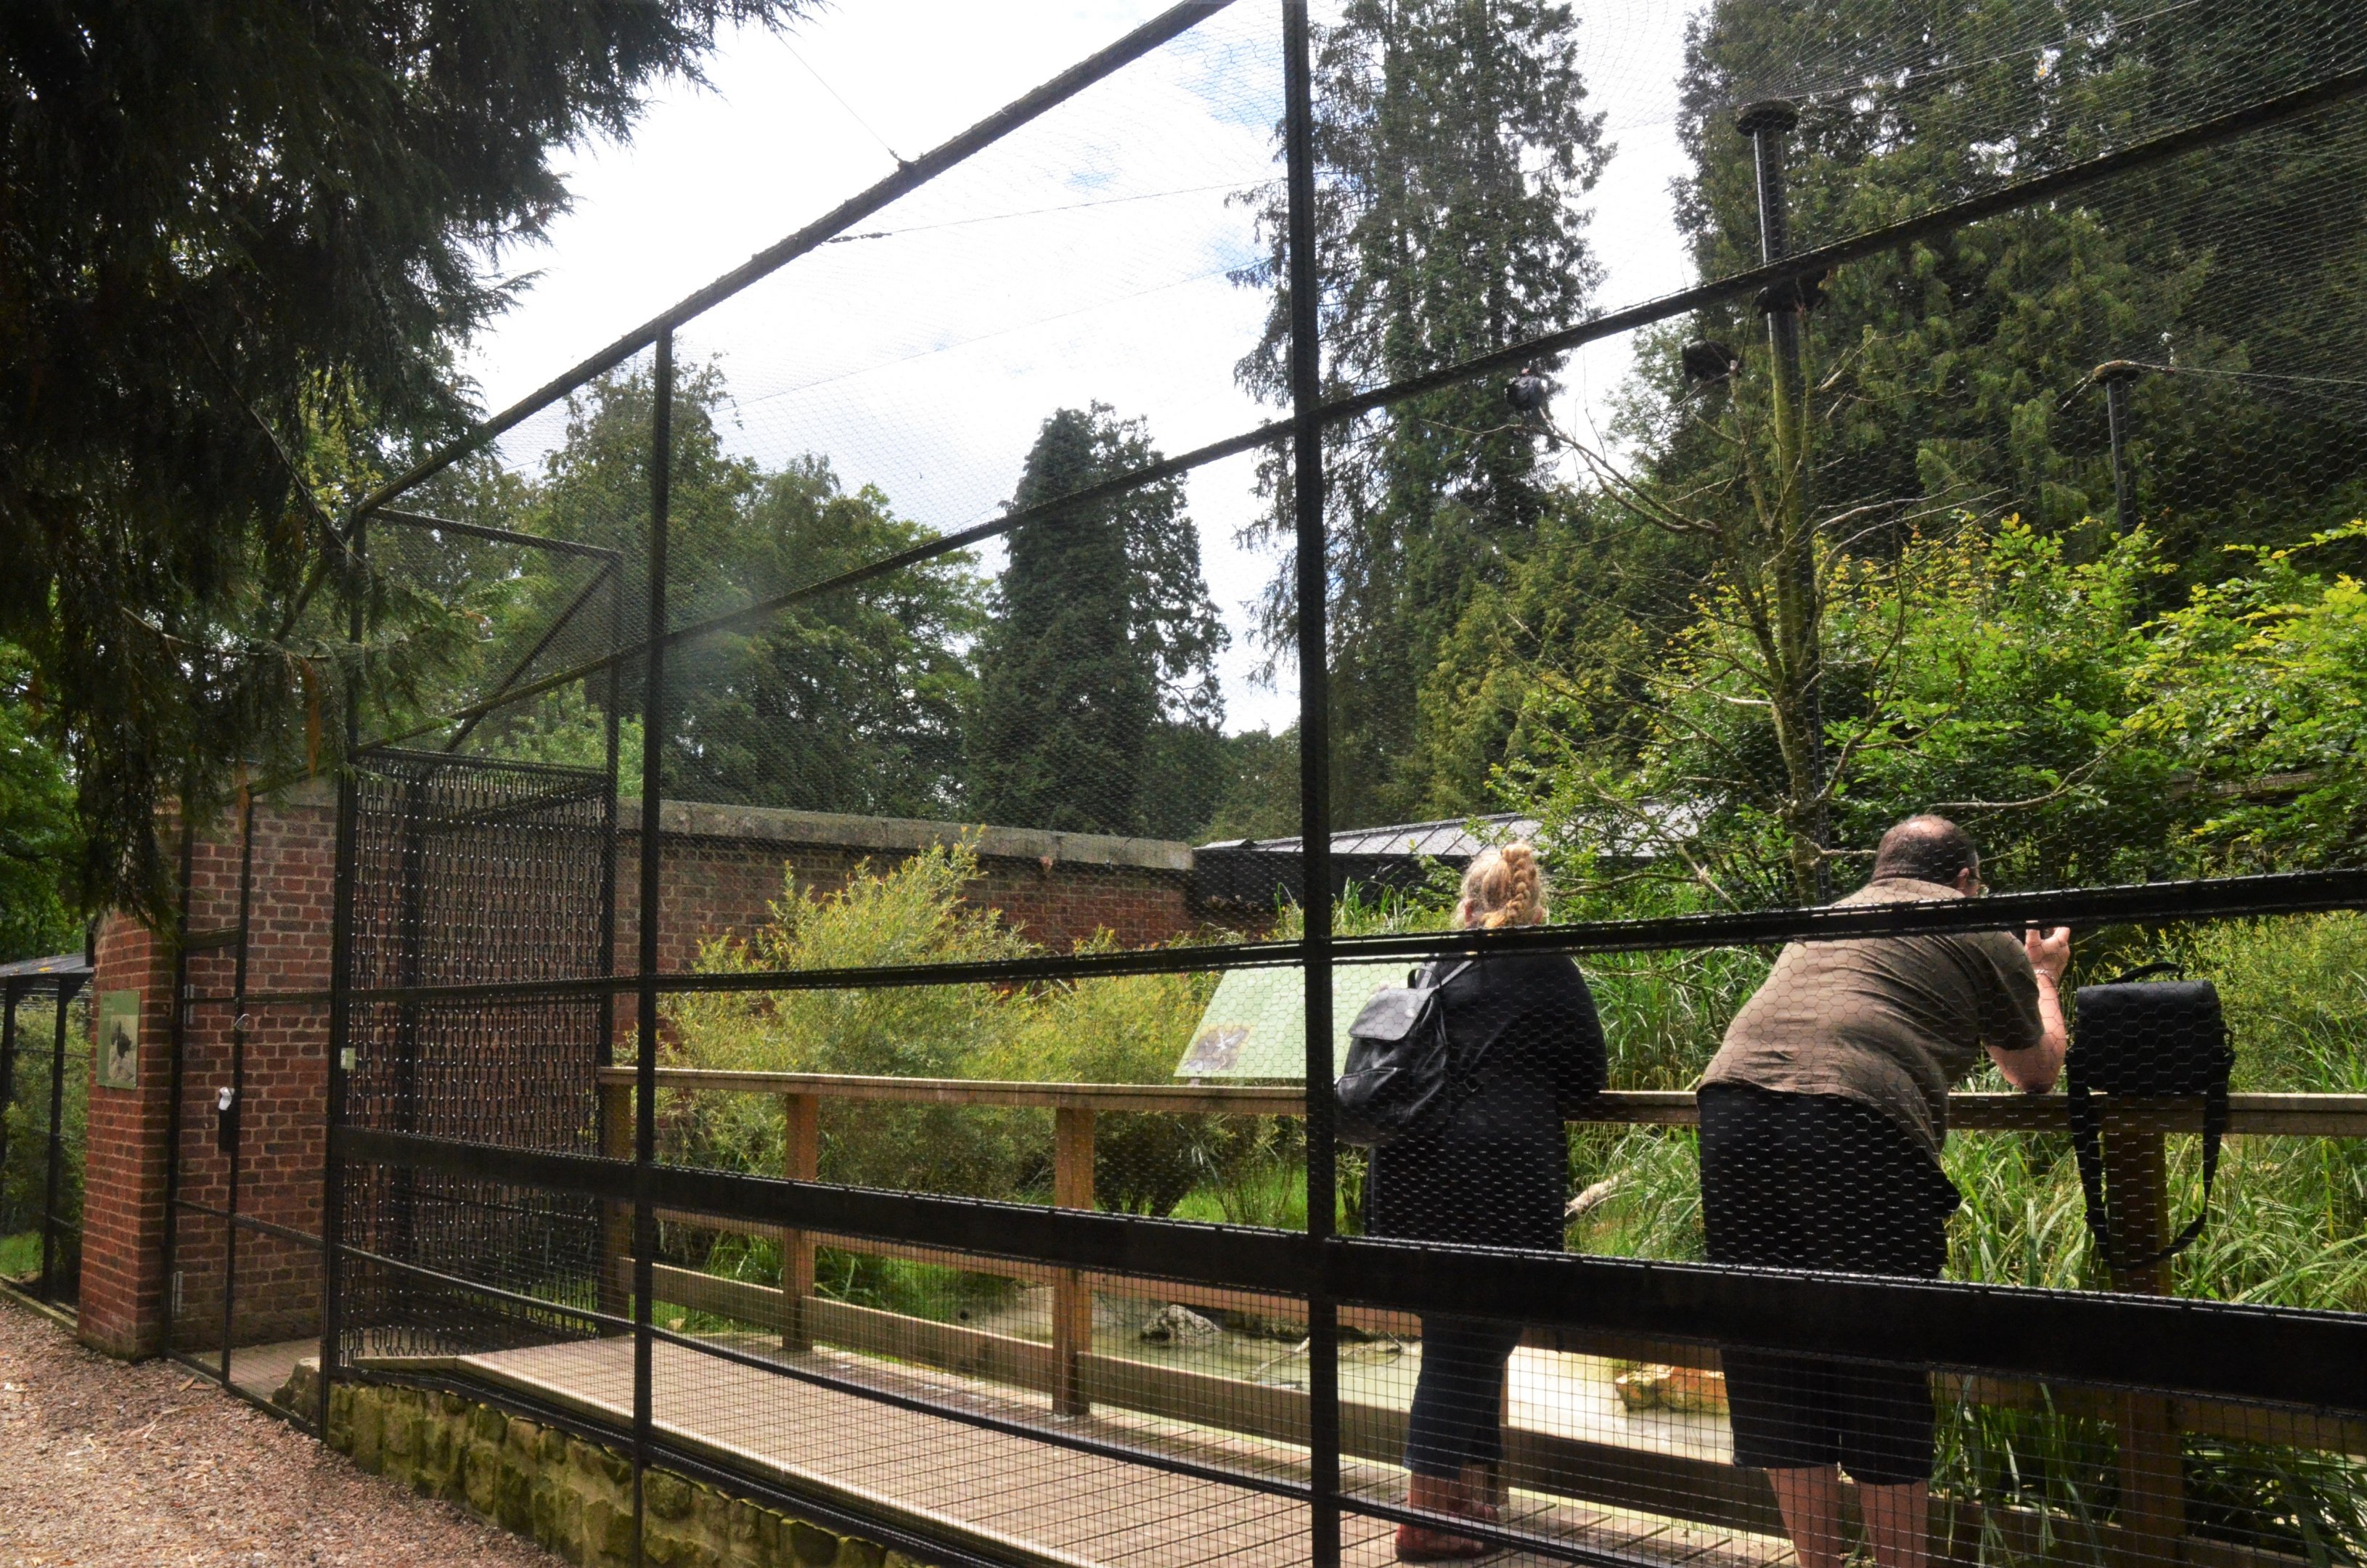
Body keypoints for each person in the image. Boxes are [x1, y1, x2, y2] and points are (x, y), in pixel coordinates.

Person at [1696, 815, 2071, 1568]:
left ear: (1881, 871)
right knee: (1880, 1356)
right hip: (1852, 1121)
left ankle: (1818, 1565)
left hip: (1730, 1108)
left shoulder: (1824, 922)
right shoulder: (1970, 922)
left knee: (1774, 1352)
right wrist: (2042, 977)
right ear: (1965, 879)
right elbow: (2033, 1071)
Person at [1364, 843, 1608, 1561]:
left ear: (1468, 905)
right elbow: (1588, 1077)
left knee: (1457, 1336)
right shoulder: (1545, 966)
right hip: (1494, 1177)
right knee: (1471, 1340)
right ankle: (1420, 1520)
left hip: (1411, 1174)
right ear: (1534, 907)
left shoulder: (1438, 967)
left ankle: (1458, 1500)